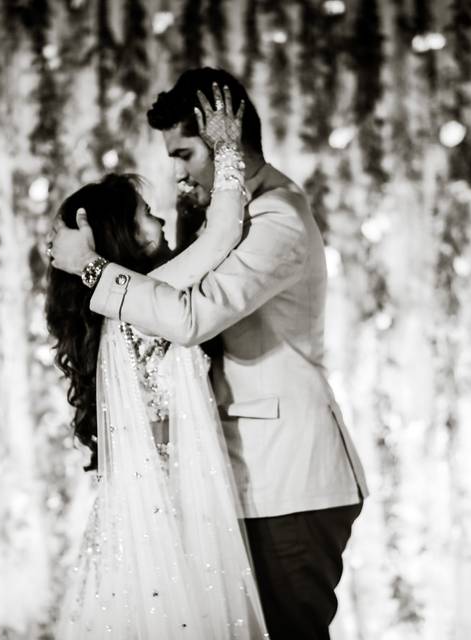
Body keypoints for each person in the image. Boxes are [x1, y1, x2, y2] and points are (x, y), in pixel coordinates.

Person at [49, 67, 369, 640]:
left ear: (228, 143)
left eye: (186, 153)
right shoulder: (218, 225)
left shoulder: (278, 220)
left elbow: (194, 317)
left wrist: (92, 268)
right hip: (238, 487)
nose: (175, 174)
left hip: (287, 483)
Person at [46, 86, 267, 638]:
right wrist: (229, 152)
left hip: (143, 513)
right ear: (121, 233)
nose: (161, 220)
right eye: (147, 215)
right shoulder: (146, 298)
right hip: (175, 512)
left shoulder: (124, 305)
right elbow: (222, 236)